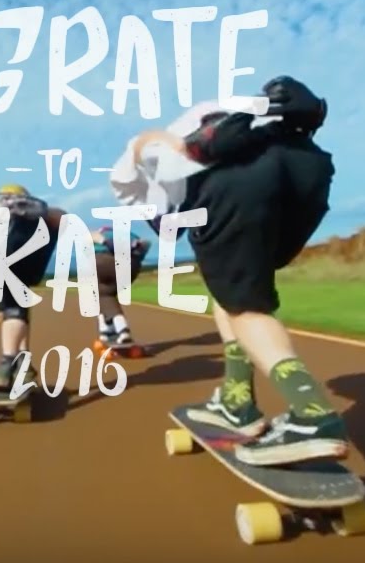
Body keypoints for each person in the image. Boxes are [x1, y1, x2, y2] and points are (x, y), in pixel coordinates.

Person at [123, 75, 346, 467]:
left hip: (236, 185)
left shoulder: (163, 152)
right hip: (309, 172)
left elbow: (161, 215)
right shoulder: (259, 120)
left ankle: (312, 414)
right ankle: (235, 399)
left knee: (246, 308)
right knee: (231, 292)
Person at [0, 183, 67, 390]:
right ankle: (23, 361)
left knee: (12, 311)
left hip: (1, 261)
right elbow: (63, 218)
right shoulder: (36, 217)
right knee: (19, 309)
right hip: (26, 263)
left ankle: (7, 363)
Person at [91, 224, 153, 346]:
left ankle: (120, 330)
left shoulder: (99, 233)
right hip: (133, 266)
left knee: (103, 294)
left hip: (105, 260)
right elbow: (145, 246)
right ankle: (107, 328)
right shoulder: (131, 236)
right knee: (107, 295)